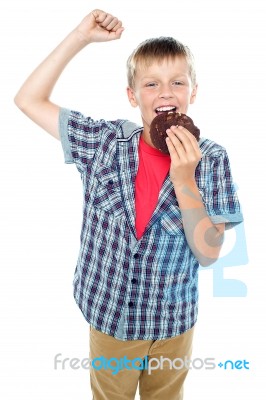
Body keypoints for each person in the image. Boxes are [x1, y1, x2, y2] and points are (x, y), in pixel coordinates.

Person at [14, 9, 243, 400]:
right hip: (111, 320)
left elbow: (208, 254)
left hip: (173, 324)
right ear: (132, 96)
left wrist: (184, 179)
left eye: (178, 82)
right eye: (151, 84)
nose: (166, 93)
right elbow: (28, 99)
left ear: (193, 92)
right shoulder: (104, 143)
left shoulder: (213, 159)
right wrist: (79, 37)